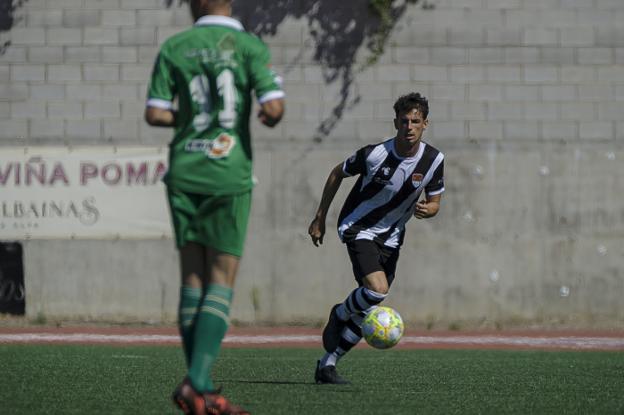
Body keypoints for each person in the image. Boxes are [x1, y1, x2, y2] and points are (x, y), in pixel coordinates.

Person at [145, 0, 284, 413]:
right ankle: (199, 384)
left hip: (184, 172)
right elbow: (274, 108)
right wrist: (260, 114)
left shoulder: (175, 46)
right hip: (227, 173)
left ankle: (201, 393)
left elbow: (155, 113)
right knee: (221, 278)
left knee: (192, 278)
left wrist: (188, 118)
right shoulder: (249, 47)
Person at [308, 92, 444, 384]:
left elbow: (435, 203)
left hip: (392, 237)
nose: (409, 126)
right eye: (404, 121)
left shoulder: (434, 160)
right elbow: (336, 174)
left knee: (368, 307)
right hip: (358, 228)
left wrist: (428, 210)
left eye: (415, 121)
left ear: (425, 124)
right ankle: (340, 311)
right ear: (395, 122)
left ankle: (327, 365)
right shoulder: (375, 154)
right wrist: (320, 217)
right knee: (377, 289)